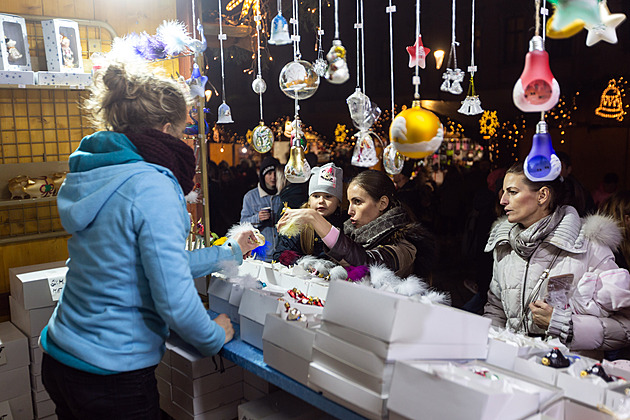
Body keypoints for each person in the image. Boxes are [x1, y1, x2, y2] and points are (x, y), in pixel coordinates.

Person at [40, 60, 259, 419]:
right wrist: (213, 336)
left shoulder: (101, 171)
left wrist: (230, 252)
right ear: (166, 127)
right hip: (110, 372)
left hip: (62, 355)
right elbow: (174, 299)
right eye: (185, 129)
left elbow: (153, 261)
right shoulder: (152, 185)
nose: (187, 138)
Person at [484, 162, 630, 353]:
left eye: (512, 192)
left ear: (542, 196)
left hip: (567, 372)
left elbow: (625, 327)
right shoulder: (504, 244)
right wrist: (493, 349)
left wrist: (565, 325)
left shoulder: (590, 245)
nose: (502, 200)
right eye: (503, 192)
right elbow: (495, 309)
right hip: (514, 366)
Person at [278, 169, 435, 278]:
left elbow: (365, 265)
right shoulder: (350, 232)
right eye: (349, 202)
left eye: (358, 202)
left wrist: (315, 218)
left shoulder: (405, 245)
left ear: (382, 204)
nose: (350, 211)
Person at [274, 163, 346, 263]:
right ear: (309, 200)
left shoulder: (345, 224)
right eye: (316, 196)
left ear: (338, 201)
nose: (321, 201)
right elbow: (280, 254)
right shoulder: (298, 224)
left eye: (328, 196)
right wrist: (304, 265)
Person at [240, 156, 284, 261]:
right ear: (263, 175)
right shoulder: (250, 197)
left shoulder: (283, 195)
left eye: (275, 174)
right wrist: (257, 218)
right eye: (269, 174)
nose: (273, 177)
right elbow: (243, 223)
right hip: (260, 255)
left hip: (281, 254)